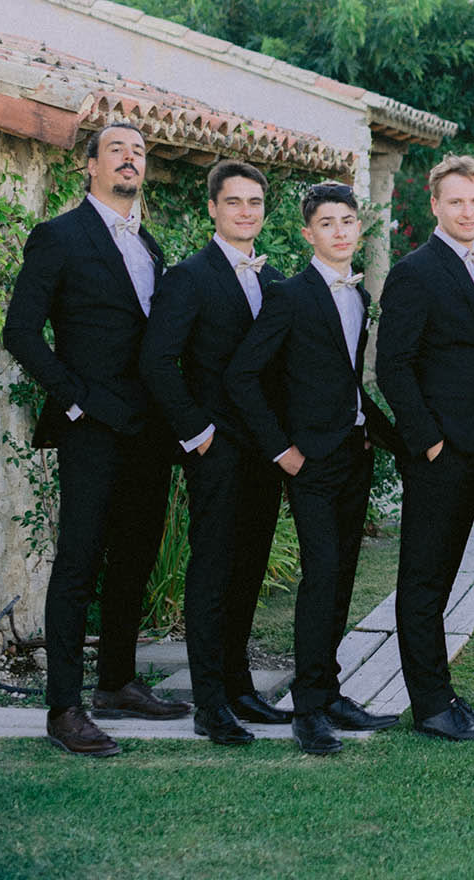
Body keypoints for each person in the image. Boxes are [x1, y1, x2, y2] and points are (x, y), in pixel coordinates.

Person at [3, 122, 188, 757]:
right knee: (79, 561)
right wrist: (75, 398)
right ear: (90, 166)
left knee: (135, 553)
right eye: (118, 150)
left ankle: (116, 683)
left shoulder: (150, 246)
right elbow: (21, 332)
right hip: (91, 428)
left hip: (147, 428)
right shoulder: (59, 236)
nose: (131, 159)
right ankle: (64, 709)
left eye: (139, 152)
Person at [226, 182, 401, 755]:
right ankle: (307, 711)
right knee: (321, 577)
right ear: (308, 233)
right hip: (311, 463)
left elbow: (349, 379)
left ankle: (329, 694)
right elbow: (242, 377)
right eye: (327, 223)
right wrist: (283, 450)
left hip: (354, 455)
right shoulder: (291, 295)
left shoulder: (359, 297)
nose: (340, 231)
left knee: (343, 577)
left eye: (348, 221)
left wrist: (386, 438)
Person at [139, 160, 289, 746]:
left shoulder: (274, 276)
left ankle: (239, 688)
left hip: (265, 452)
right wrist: (197, 433)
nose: (246, 211)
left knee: (249, 569)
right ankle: (208, 705)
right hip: (216, 450)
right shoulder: (189, 276)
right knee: (211, 573)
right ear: (212, 208)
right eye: (234, 202)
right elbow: (157, 361)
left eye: (255, 202)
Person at [375, 156, 474, 743]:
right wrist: (427, 441)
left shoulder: (473, 267)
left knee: (446, 577)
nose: (468, 211)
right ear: (434, 205)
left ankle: (444, 693)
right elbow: (392, 366)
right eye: (456, 202)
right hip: (439, 451)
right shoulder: (415, 271)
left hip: (472, 446)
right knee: (424, 581)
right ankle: (430, 705)